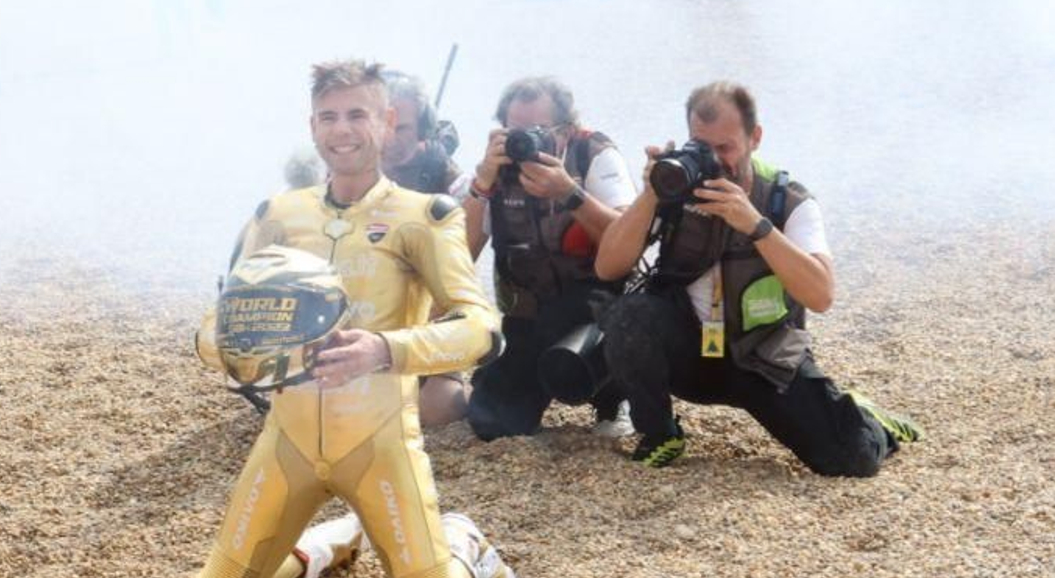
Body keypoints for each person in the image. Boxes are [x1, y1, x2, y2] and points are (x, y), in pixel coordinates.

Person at [191, 60, 517, 578]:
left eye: (357, 115)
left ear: (388, 122)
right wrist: (235, 347)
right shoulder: (278, 215)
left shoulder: (426, 216)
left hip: (379, 445)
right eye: (329, 117)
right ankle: (337, 540)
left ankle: (462, 541)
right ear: (313, 127)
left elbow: (482, 328)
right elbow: (217, 323)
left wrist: (383, 349)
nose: (342, 130)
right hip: (287, 440)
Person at [593, 80, 924, 474]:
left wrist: (756, 225)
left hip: (761, 358)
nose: (714, 160)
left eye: (726, 148)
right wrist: (651, 194)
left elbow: (821, 296)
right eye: (702, 146)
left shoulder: (788, 200)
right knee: (628, 313)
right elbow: (608, 268)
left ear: (756, 137)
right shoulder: (676, 189)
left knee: (851, 460)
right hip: (689, 353)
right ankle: (660, 433)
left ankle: (871, 421)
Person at [461, 76, 637, 440]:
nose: (526, 141)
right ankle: (528, 381)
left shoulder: (594, 154)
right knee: (490, 423)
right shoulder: (495, 172)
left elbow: (629, 239)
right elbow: (460, 256)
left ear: (568, 130)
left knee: (574, 320)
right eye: (514, 131)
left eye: (539, 130)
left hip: (597, 306)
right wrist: (481, 185)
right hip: (529, 316)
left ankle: (614, 397)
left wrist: (570, 193)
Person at [380, 69, 467, 426]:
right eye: (384, 125)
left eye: (402, 128)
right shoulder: (348, 171)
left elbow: (456, 270)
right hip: (361, 309)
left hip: (427, 314)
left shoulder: (449, 179)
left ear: (423, 127)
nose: (391, 139)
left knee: (439, 410)